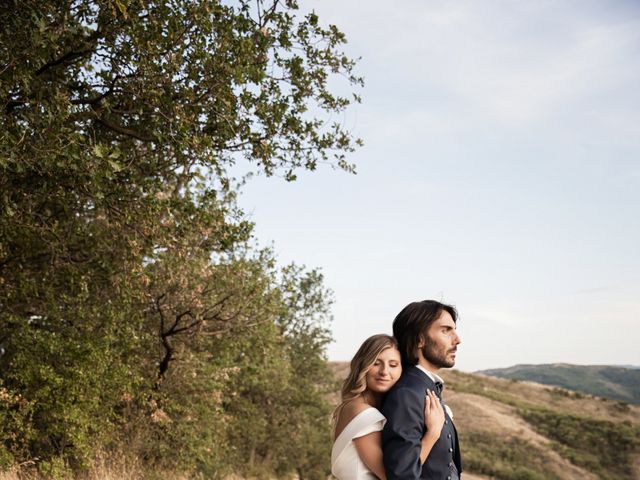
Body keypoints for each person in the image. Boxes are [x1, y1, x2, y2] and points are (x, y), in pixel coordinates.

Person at [331, 334, 446, 480]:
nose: (384, 371)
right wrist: (433, 434)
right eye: (376, 363)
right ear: (363, 365)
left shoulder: (360, 407)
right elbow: (397, 477)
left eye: (393, 365)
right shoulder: (362, 413)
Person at [381, 300, 463, 480]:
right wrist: (432, 433)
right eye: (445, 330)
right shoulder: (406, 394)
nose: (457, 339)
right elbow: (402, 475)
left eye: (454, 330)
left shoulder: (426, 388)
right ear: (419, 339)